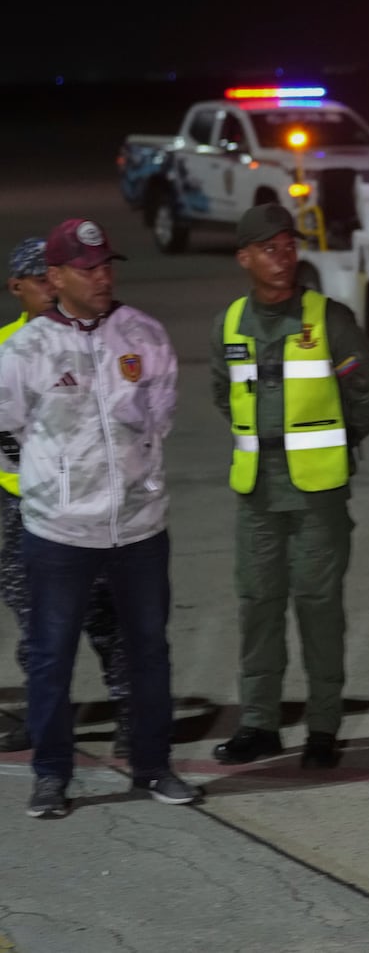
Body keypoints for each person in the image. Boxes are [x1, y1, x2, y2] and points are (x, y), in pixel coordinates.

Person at [0, 218, 200, 817]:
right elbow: (5, 426)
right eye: (87, 269)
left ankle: (153, 767)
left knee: (148, 652)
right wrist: (52, 481)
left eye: (107, 265)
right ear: (55, 277)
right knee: (50, 654)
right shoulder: (25, 350)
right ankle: (52, 775)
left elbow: (159, 415)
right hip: (58, 533)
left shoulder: (143, 333)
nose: (102, 276)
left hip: (139, 528)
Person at [209, 203, 369, 770]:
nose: (282, 257)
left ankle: (323, 726)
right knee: (258, 605)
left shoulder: (330, 318)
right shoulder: (229, 322)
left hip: (318, 492)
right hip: (257, 491)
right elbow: (221, 395)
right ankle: (259, 723)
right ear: (244, 257)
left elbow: (362, 401)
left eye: (288, 246)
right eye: (269, 248)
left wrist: (329, 444)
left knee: (318, 607)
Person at [0, 237, 129, 756]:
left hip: (87, 503)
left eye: (57, 277)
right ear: (17, 287)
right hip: (21, 509)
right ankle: (44, 716)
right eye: (40, 280)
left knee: (102, 610)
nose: (52, 289)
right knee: (34, 617)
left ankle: (132, 714)